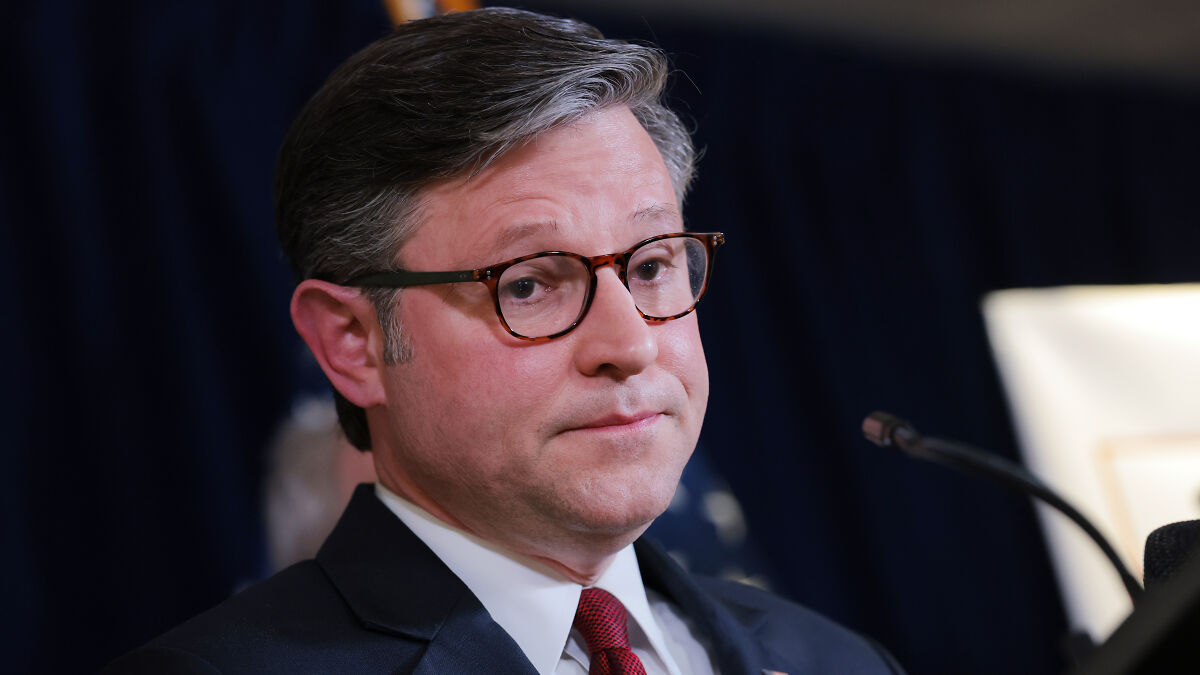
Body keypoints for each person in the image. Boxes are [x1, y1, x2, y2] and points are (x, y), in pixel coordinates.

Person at [106, 8, 904, 674]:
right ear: (353, 341)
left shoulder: (839, 660)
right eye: (528, 282)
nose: (630, 343)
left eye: (653, 263)